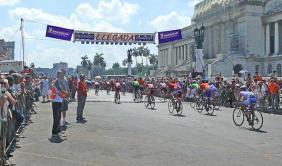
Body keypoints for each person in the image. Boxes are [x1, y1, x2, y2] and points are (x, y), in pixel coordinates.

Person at [49, 71, 64, 141]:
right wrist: (64, 95)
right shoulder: (56, 82)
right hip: (56, 101)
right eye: (61, 74)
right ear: (58, 75)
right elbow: (59, 91)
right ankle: (54, 132)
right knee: (56, 118)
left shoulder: (60, 81)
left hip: (59, 101)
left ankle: (57, 131)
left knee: (59, 117)